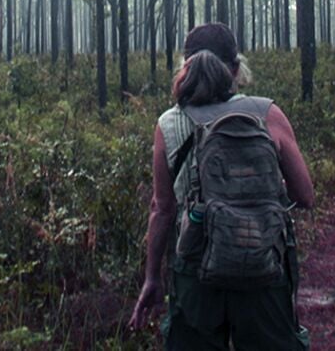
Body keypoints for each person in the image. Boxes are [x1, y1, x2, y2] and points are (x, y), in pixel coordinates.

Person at [129, 22, 314, 350]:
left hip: (195, 268)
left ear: (185, 68)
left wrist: (152, 277)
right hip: (263, 260)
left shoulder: (168, 123)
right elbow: (305, 196)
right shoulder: (267, 113)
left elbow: (162, 209)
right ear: (235, 68)